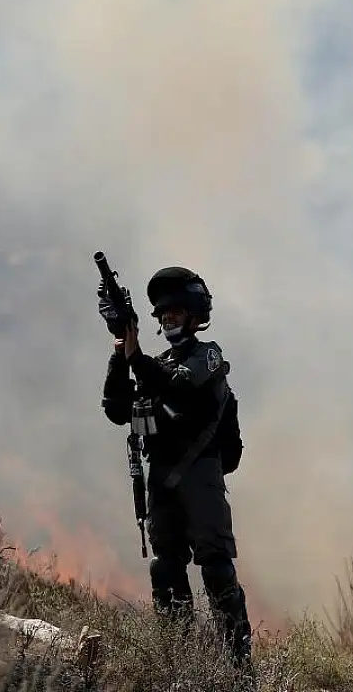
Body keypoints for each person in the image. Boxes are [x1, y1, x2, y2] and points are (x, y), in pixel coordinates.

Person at [98, 265, 252, 667]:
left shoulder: (208, 356)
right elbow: (116, 409)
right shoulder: (156, 364)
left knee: (215, 566)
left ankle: (239, 667)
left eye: (177, 312)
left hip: (200, 474)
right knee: (165, 567)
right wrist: (120, 350)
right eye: (163, 314)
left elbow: (180, 385)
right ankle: (179, 662)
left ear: (196, 316)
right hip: (162, 479)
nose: (169, 319)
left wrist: (136, 357)